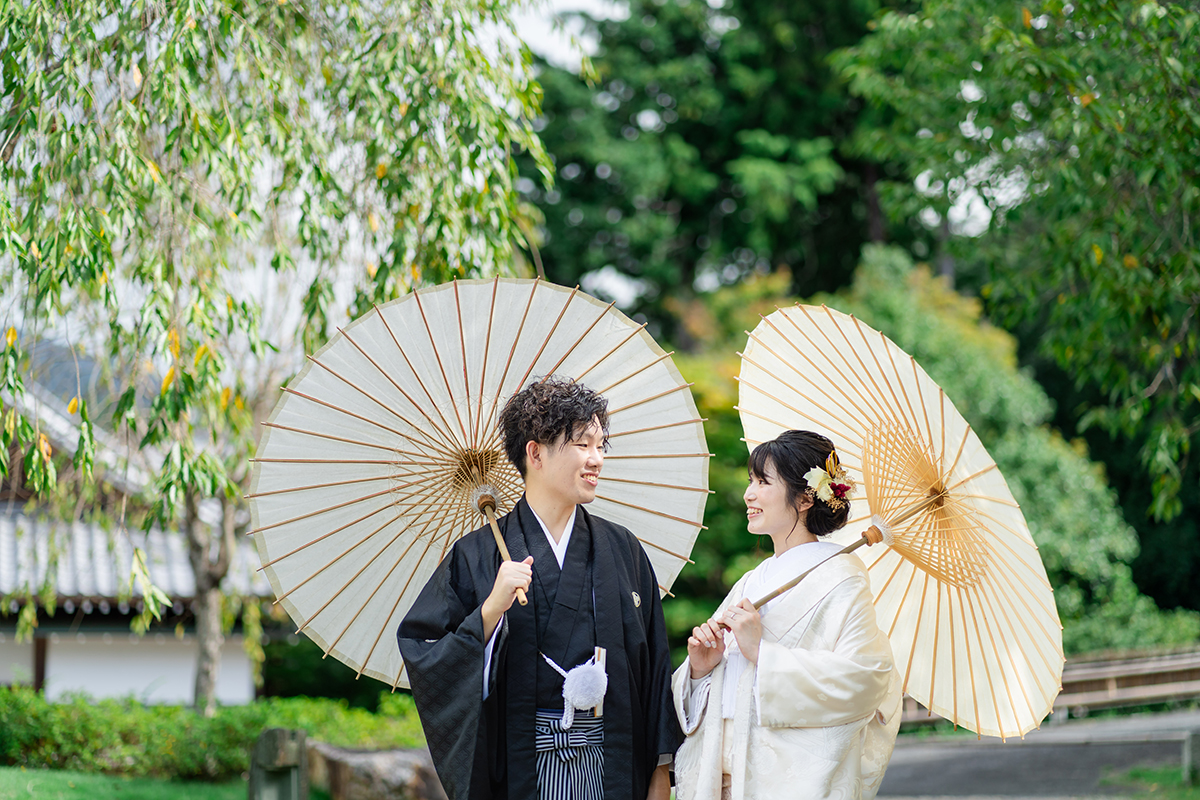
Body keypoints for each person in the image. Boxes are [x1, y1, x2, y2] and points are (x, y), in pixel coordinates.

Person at [398, 377, 680, 800]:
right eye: (583, 444)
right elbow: (425, 651)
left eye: (601, 446)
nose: (597, 459)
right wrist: (490, 611)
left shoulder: (621, 548)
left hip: (612, 767)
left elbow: (654, 663)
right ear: (535, 453)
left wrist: (660, 775)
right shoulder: (477, 556)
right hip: (521, 771)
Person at [672, 430, 901, 800]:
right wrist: (701, 668)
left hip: (783, 782)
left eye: (763, 482)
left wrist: (763, 653)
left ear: (806, 497)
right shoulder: (753, 580)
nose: (749, 494)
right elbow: (709, 685)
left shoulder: (841, 576)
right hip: (722, 779)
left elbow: (868, 678)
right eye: (751, 481)